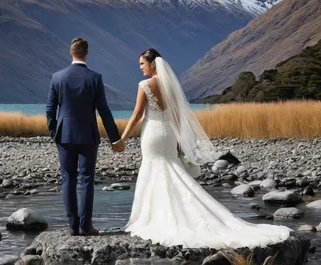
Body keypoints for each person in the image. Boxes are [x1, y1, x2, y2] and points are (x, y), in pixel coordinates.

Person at [116, 48, 291, 248]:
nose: (140, 68)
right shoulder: (170, 86)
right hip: (169, 134)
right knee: (171, 168)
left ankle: (152, 216)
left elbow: (137, 115)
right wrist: (179, 138)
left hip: (153, 134)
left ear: (152, 64)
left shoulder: (145, 85)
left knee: (154, 168)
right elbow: (177, 116)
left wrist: (122, 138)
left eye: (142, 64)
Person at [46, 37, 123, 236]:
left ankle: (72, 227)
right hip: (88, 135)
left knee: (67, 179)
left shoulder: (57, 77)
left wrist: (55, 132)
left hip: (64, 135)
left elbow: (50, 109)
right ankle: (86, 226)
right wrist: (115, 139)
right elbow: (104, 110)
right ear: (87, 53)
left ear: (70, 52)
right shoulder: (95, 78)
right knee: (87, 180)